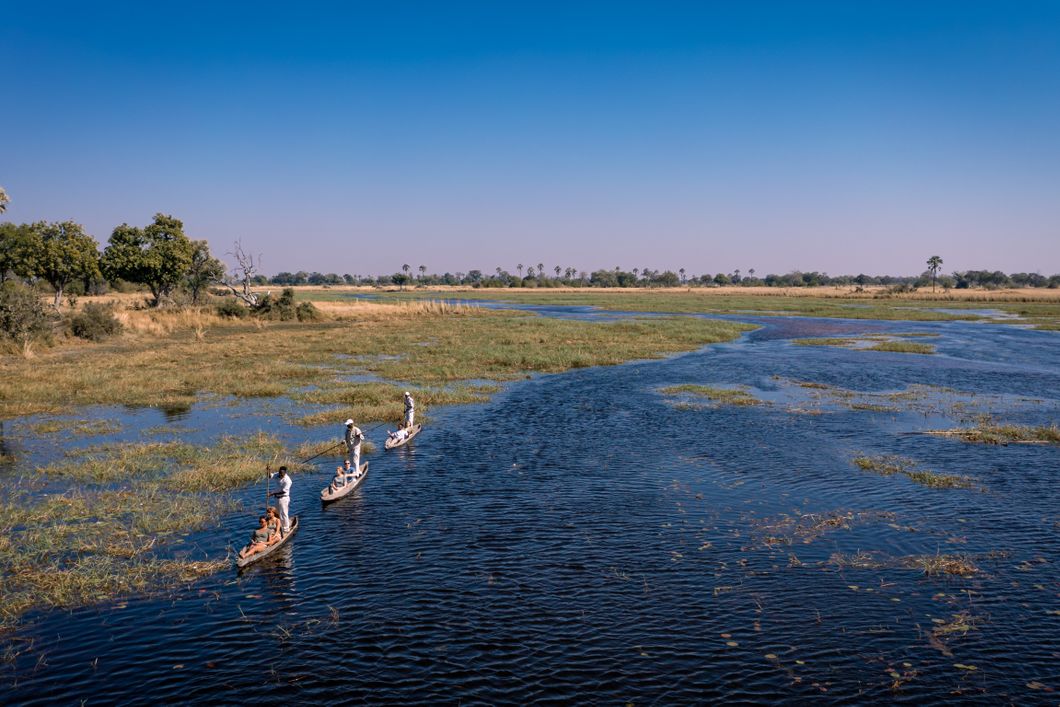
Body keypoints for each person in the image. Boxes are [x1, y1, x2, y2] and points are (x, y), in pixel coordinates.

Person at [270, 466, 292, 535]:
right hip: (277, 498)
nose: (280, 474)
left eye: (282, 473)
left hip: (284, 498)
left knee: (284, 513)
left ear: (285, 473)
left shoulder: (288, 480)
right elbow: (270, 476)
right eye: (279, 472)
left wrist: (273, 493)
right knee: (277, 513)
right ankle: (280, 527)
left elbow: (284, 491)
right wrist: (268, 471)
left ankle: (286, 529)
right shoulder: (277, 474)